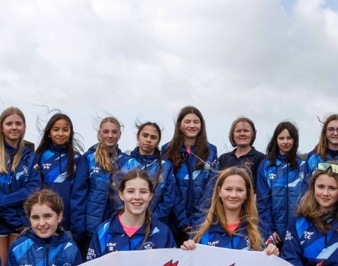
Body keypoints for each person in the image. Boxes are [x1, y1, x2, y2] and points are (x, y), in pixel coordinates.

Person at [0, 107, 39, 263]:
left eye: (18, 123)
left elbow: (32, 189)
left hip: (21, 220)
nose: (14, 127)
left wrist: (3, 203)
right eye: (9, 123)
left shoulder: (31, 157)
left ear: (24, 127)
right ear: (1, 127)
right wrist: (13, 220)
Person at [181, 168, 279, 254]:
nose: (233, 195)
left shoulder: (261, 228)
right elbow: (193, 264)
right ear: (219, 191)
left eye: (239, 190)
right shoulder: (201, 228)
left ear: (247, 193)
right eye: (228, 189)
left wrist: (273, 253)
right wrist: (188, 250)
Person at [86, 168, 175, 258]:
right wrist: (106, 265)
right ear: (121, 194)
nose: (137, 197)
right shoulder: (103, 232)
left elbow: (175, 264)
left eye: (143, 192)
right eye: (130, 191)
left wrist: (184, 252)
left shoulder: (163, 233)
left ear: (151, 195)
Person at [74, 117, 129, 255]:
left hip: (117, 228)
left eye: (114, 132)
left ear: (120, 134)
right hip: (90, 230)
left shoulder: (126, 161)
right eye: (106, 131)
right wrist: (78, 228)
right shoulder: (88, 158)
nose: (110, 135)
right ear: (99, 133)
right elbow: (78, 194)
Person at [163, 106, 218, 243]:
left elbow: (211, 188)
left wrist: (197, 219)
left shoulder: (211, 151)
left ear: (201, 125)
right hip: (173, 219)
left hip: (201, 220)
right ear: (179, 124)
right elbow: (169, 188)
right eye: (187, 121)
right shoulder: (167, 150)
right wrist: (182, 219)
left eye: (196, 122)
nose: (192, 125)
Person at [34, 112, 86, 244]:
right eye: (56, 129)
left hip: (68, 224)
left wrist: (77, 225)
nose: (60, 133)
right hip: (44, 223)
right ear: (49, 133)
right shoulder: (39, 156)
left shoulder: (77, 158)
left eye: (65, 130)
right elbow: (33, 190)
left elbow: (80, 193)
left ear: (71, 132)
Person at [255, 121, 305, 247]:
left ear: (295, 140)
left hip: (298, 233)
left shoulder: (303, 166)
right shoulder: (266, 166)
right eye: (281, 138)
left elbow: (307, 200)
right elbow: (262, 202)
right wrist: (269, 230)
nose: (285, 142)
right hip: (274, 234)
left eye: (289, 138)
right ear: (276, 140)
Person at [120, 121, 175, 227]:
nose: (148, 140)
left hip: (156, 222)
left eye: (153, 137)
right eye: (145, 135)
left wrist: (152, 218)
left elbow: (168, 199)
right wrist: (130, 217)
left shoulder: (166, 166)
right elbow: (118, 194)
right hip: (128, 223)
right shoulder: (124, 163)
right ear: (138, 137)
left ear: (158, 141)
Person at [301, 113, 338, 183]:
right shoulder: (313, 157)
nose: (335, 133)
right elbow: (306, 186)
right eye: (331, 129)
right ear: (325, 132)